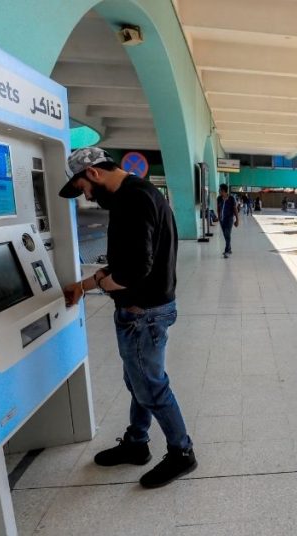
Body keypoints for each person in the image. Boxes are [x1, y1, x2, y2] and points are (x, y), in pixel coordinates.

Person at [58, 147, 196, 489]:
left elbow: (134, 269)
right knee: (139, 383)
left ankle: (182, 452)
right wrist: (86, 284)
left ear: (93, 174)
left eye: (83, 189)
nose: (86, 197)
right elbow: (129, 260)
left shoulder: (131, 201)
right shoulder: (140, 194)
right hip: (148, 311)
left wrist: (104, 284)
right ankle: (137, 443)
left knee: (150, 386)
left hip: (142, 314)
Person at [216, 184, 239, 258]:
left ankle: (227, 251)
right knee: (226, 235)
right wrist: (219, 217)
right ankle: (229, 249)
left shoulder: (231, 198)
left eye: (220, 190)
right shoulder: (219, 198)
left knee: (227, 234)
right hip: (222, 220)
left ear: (224, 191)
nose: (219, 191)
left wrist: (237, 220)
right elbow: (218, 209)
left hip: (229, 219)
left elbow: (235, 209)